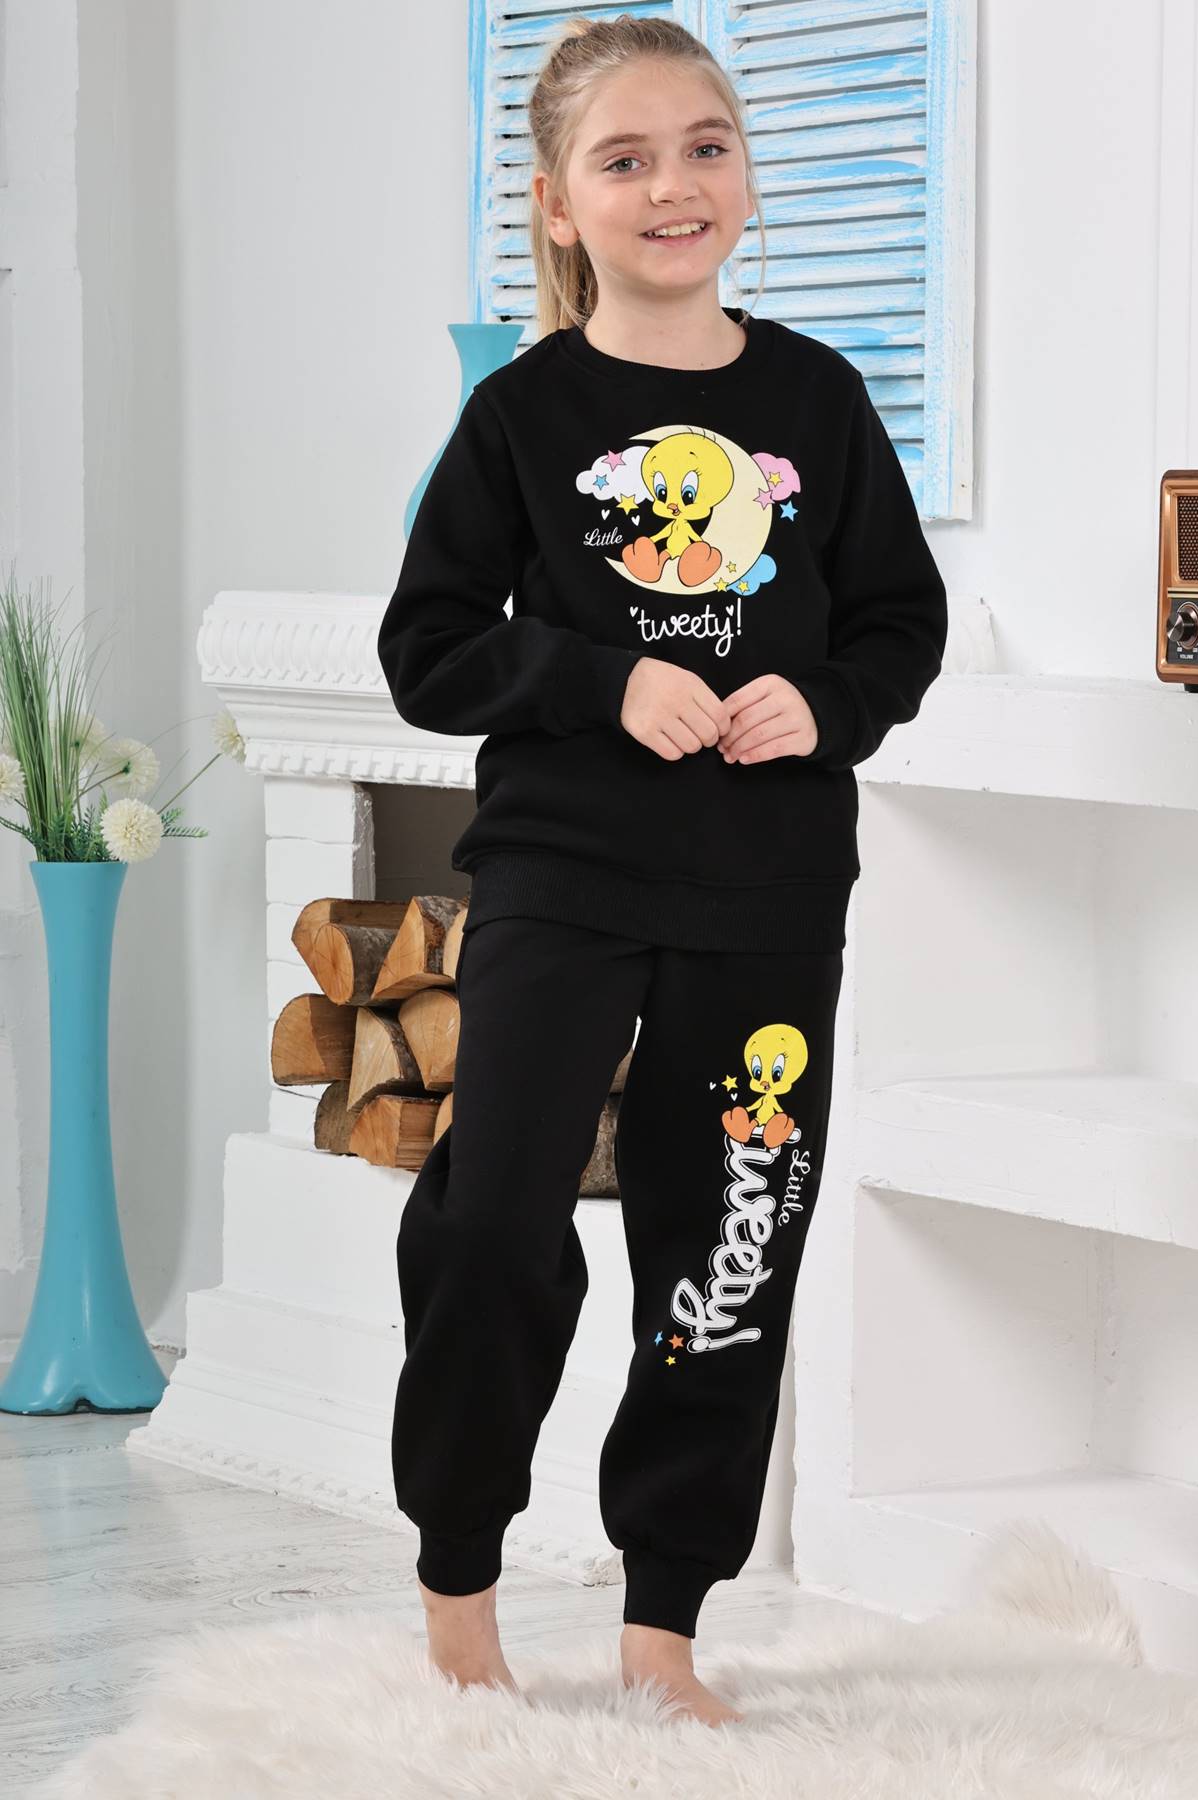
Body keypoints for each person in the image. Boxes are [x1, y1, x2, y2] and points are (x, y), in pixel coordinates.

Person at [376, 12, 947, 1729]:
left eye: (705, 145)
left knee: (731, 1243)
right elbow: (427, 648)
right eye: (624, 159)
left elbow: (897, 625)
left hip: (767, 897)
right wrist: (596, 678)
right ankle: (460, 1588)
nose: (673, 184)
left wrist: (826, 703)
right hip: (562, 877)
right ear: (560, 204)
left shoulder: (819, 401)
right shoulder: (522, 415)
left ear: (746, 178)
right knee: (493, 1218)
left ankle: (663, 1629)